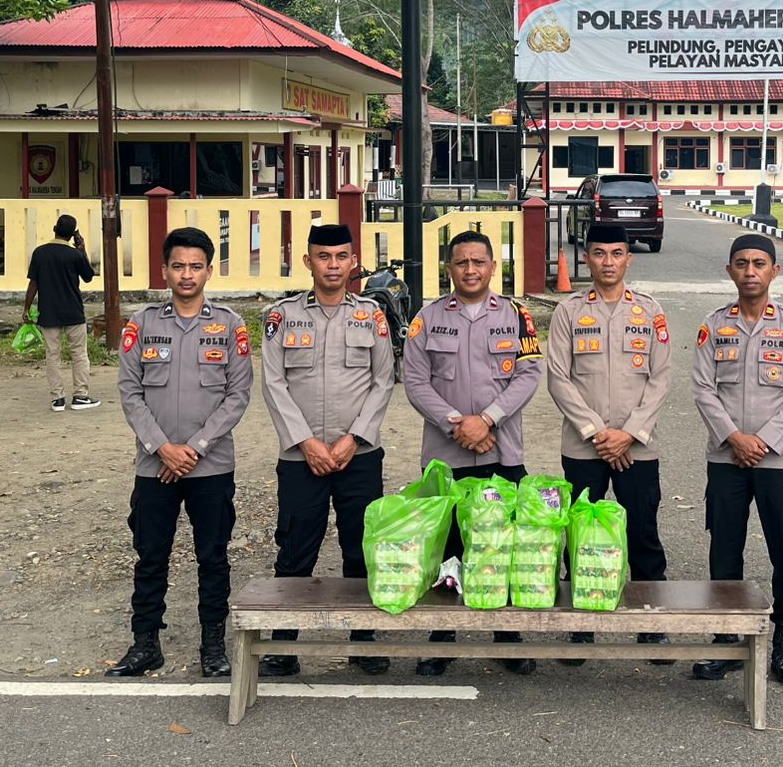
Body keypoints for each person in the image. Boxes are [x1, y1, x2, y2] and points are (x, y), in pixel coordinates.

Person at [105, 226, 253, 680]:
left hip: (210, 466)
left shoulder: (230, 325)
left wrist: (192, 449)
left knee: (213, 555)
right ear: (164, 270)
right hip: (155, 466)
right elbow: (130, 392)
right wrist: (163, 449)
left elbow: (238, 394)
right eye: (178, 266)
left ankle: (213, 646)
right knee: (151, 555)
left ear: (210, 270)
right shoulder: (142, 323)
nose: (186, 275)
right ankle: (145, 643)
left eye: (195, 266)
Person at [257, 223, 396, 679]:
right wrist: (307, 442)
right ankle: (282, 644)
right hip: (302, 458)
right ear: (308, 261)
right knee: (296, 550)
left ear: (353, 261)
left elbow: (383, 380)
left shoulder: (371, 315)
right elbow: (273, 383)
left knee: (361, 549)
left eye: (341, 256)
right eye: (323, 256)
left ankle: (364, 641)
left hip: (358, 455)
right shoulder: (282, 316)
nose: (333, 265)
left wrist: (353, 437)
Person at [404, 230, 543, 677]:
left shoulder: (517, 316)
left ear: (492, 267)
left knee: (504, 544)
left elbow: (529, 374)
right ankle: (442, 636)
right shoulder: (426, 319)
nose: (470, 270)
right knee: (450, 547)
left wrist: (488, 419)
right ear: (449, 269)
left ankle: (509, 636)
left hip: (502, 449)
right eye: (461, 262)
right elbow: (415, 382)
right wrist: (456, 423)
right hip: (448, 454)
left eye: (478, 262)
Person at [690, 233, 783, 687]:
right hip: (726, 458)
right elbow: (703, 389)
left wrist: (761, 441)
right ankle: (726, 640)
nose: (750, 271)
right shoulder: (713, 325)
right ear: (729, 270)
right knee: (724, 549)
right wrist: (733, 438)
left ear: (774, 272)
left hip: (778, 460)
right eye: (741, 263)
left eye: (759, 263)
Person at [544, 223, 672, 665]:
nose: (608, 262)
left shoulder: (651, 312)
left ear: (628, 259)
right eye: (599, 253)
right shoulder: (569, 311)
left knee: (642, 533)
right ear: (588, 258)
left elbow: (660, 378)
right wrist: (597, 432)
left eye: (617, 253)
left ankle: (650, 623)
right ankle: (581, 624)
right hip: (585, 446)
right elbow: (558, 378)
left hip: (637, 447)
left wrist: (629, 434)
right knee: (580, 535)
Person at [23, 215, 98, 412]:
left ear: (54, 228)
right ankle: (80, 396)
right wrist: (82, 250)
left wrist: (26, 308)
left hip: (48, 312)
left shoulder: (40, 253)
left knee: (52, 355)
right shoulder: (74, 255)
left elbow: (33, 283)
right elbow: (89, 277)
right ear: (73, 235)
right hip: (73, 310)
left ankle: (57, 399)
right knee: (79, 354)